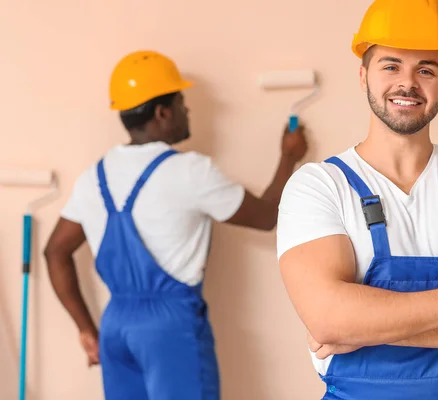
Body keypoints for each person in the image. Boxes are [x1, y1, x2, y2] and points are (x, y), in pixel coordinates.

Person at [276, 0, 438, 398]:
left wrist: (361, 330)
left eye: (426, 70)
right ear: (363, 76)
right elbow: (327, 319)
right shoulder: (318, 185)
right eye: (391, 65)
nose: (407, 84)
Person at [43, 50, 307, 400]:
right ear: (162, 112)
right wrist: (289, 156)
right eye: (183, 103)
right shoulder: (190, 171)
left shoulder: (94, 176)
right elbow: (266, 216)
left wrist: (86, 331)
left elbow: (54, 251)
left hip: (115, 327)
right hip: (168, 327)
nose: (188, 111)